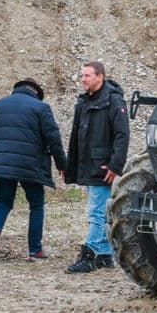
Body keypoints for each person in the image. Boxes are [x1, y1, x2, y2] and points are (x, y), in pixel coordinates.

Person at [0, 78, 65, 261]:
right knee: (36, 205)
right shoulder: (41, 107)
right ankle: (35, 250)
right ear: (36, 92)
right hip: (30, 165)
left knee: (4, 202)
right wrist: (61, 165)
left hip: (3, 162)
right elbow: (53, 138)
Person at [63, 61, 129, 274]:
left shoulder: (113, 101)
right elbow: (76, 137)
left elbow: (122, 134)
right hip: (88, 163)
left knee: (96, 211)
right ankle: (104, 254)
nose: (82, 79)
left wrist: (115, 164)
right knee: (98, 209)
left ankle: (90, 252)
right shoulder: (84, 101)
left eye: (87, 76)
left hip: (102, 164)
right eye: (81, 76)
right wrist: (69, 164)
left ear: (100, 77)